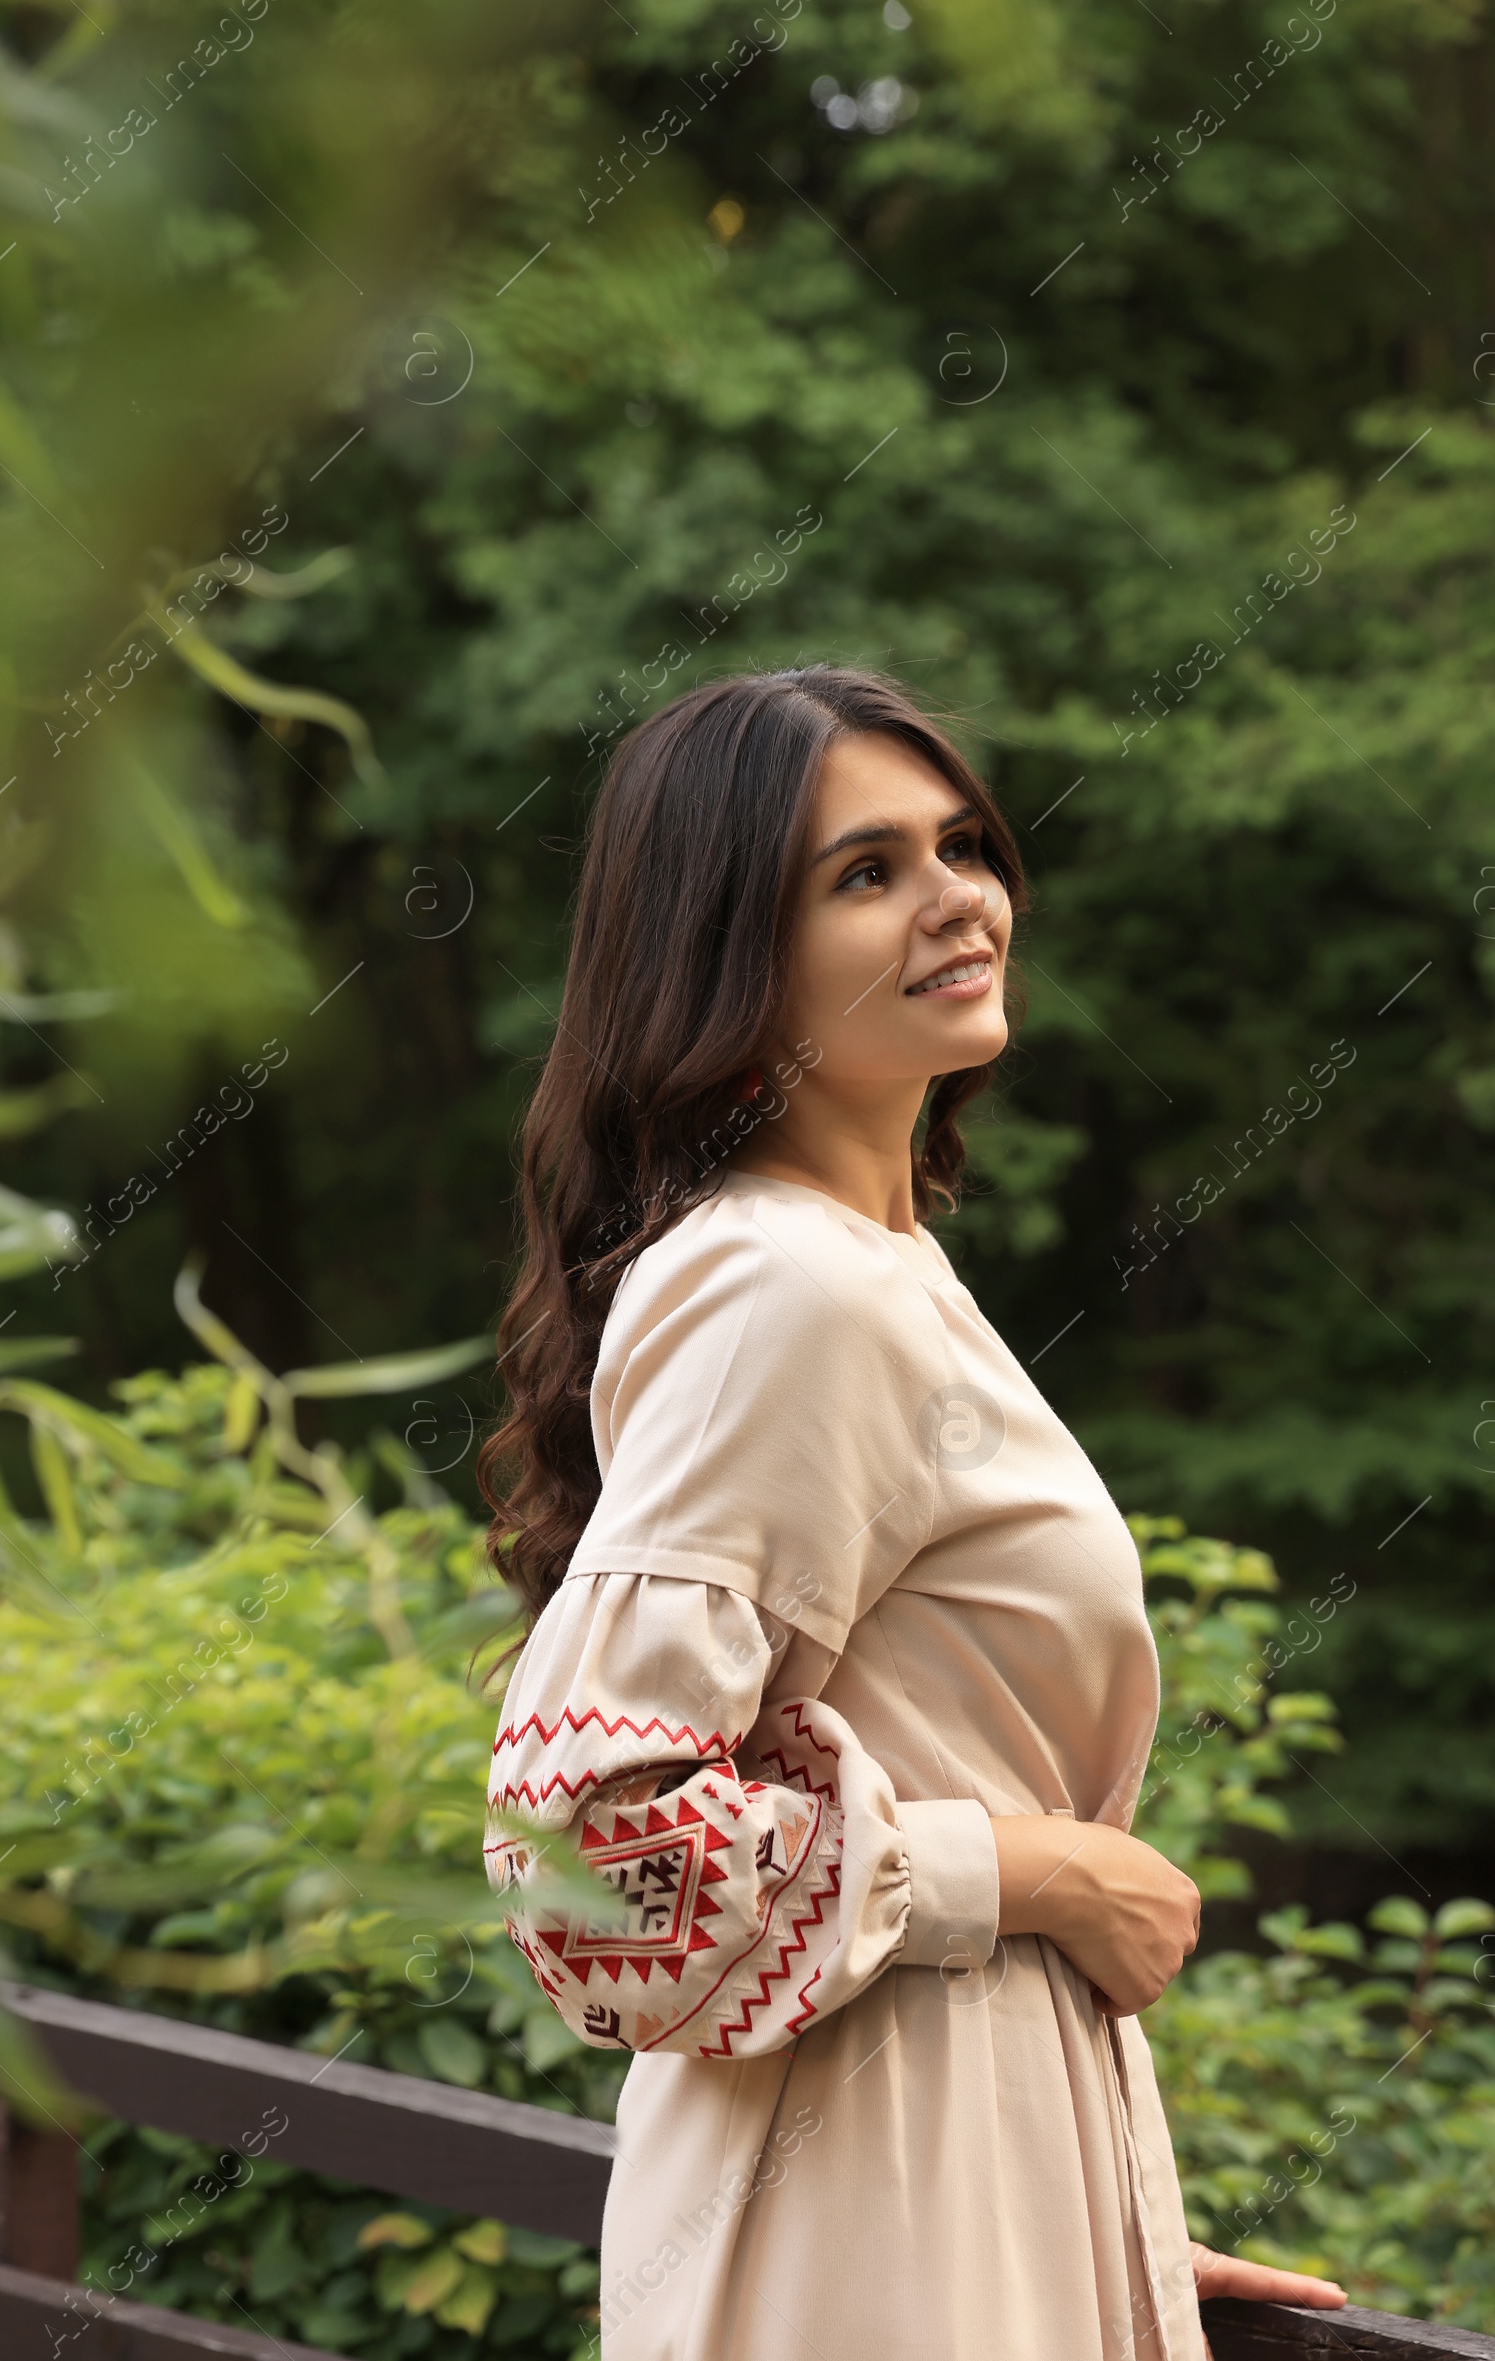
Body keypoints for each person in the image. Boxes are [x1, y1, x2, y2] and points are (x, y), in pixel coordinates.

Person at [478, 667, 1347, 2359]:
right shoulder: (789, 1289)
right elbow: (581, 1863)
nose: (958, 899)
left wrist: (1088, 2224)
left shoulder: (867, 1268)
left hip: (943, 2195)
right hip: (870, 2228)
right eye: (865, 873)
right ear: (731, 953)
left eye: (962, 844)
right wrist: (1032, 1870)